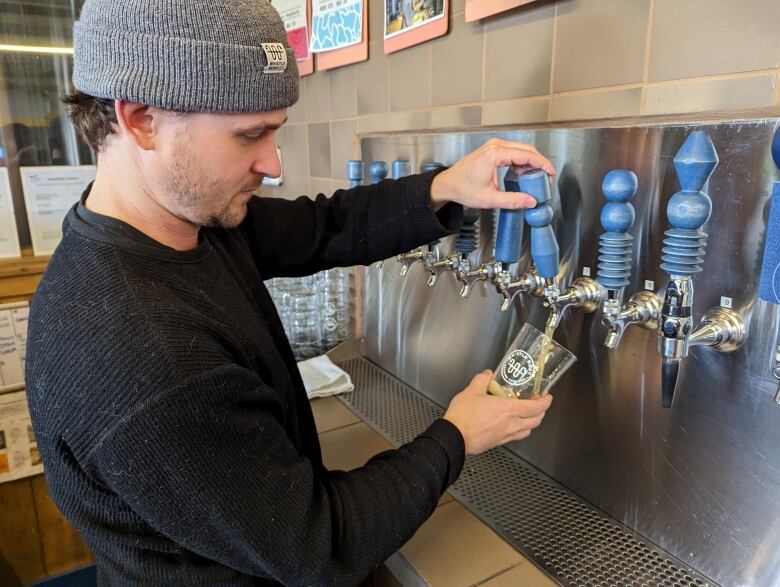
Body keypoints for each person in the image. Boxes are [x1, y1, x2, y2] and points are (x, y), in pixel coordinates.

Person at [25, 0, 556, 585]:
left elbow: (321, 227)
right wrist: (458, 436)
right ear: (141, 119)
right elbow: (319, 546)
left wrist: (443, 188)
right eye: (249, 135)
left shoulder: (186, 225)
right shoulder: (141, 350)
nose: (273, 164)